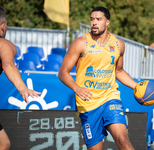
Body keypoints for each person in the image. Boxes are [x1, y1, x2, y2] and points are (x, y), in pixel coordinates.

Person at [59, 6, 137, 150]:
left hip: (110, 98)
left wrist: (137, 86)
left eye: (98, 19)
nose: (94, 22)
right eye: (92, 19)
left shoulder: (119, 45)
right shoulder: (81, 43)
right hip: (87, 104)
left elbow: (118, 71)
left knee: (123, 139)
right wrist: (77, 88)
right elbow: (63, 72)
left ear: (107, 22)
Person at [0, 7, 41, 150]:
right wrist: (22, 88)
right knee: (3, 144)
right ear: (3, 26)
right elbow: (8, 64)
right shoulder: (4, 44)